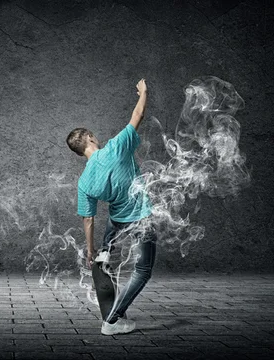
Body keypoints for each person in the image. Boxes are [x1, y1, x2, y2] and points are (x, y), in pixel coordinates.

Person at [66, 79, 157, 335]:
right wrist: (143, 92)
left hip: (116, 221)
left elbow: (88, 219)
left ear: (78, 151)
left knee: (105, 261)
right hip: (141, 218)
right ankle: (113, 320)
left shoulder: (84, 181)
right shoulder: (117, 147)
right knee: (143, 270)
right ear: (92, 138)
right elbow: (138, 114)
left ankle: (113, 300)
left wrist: (91, 250)